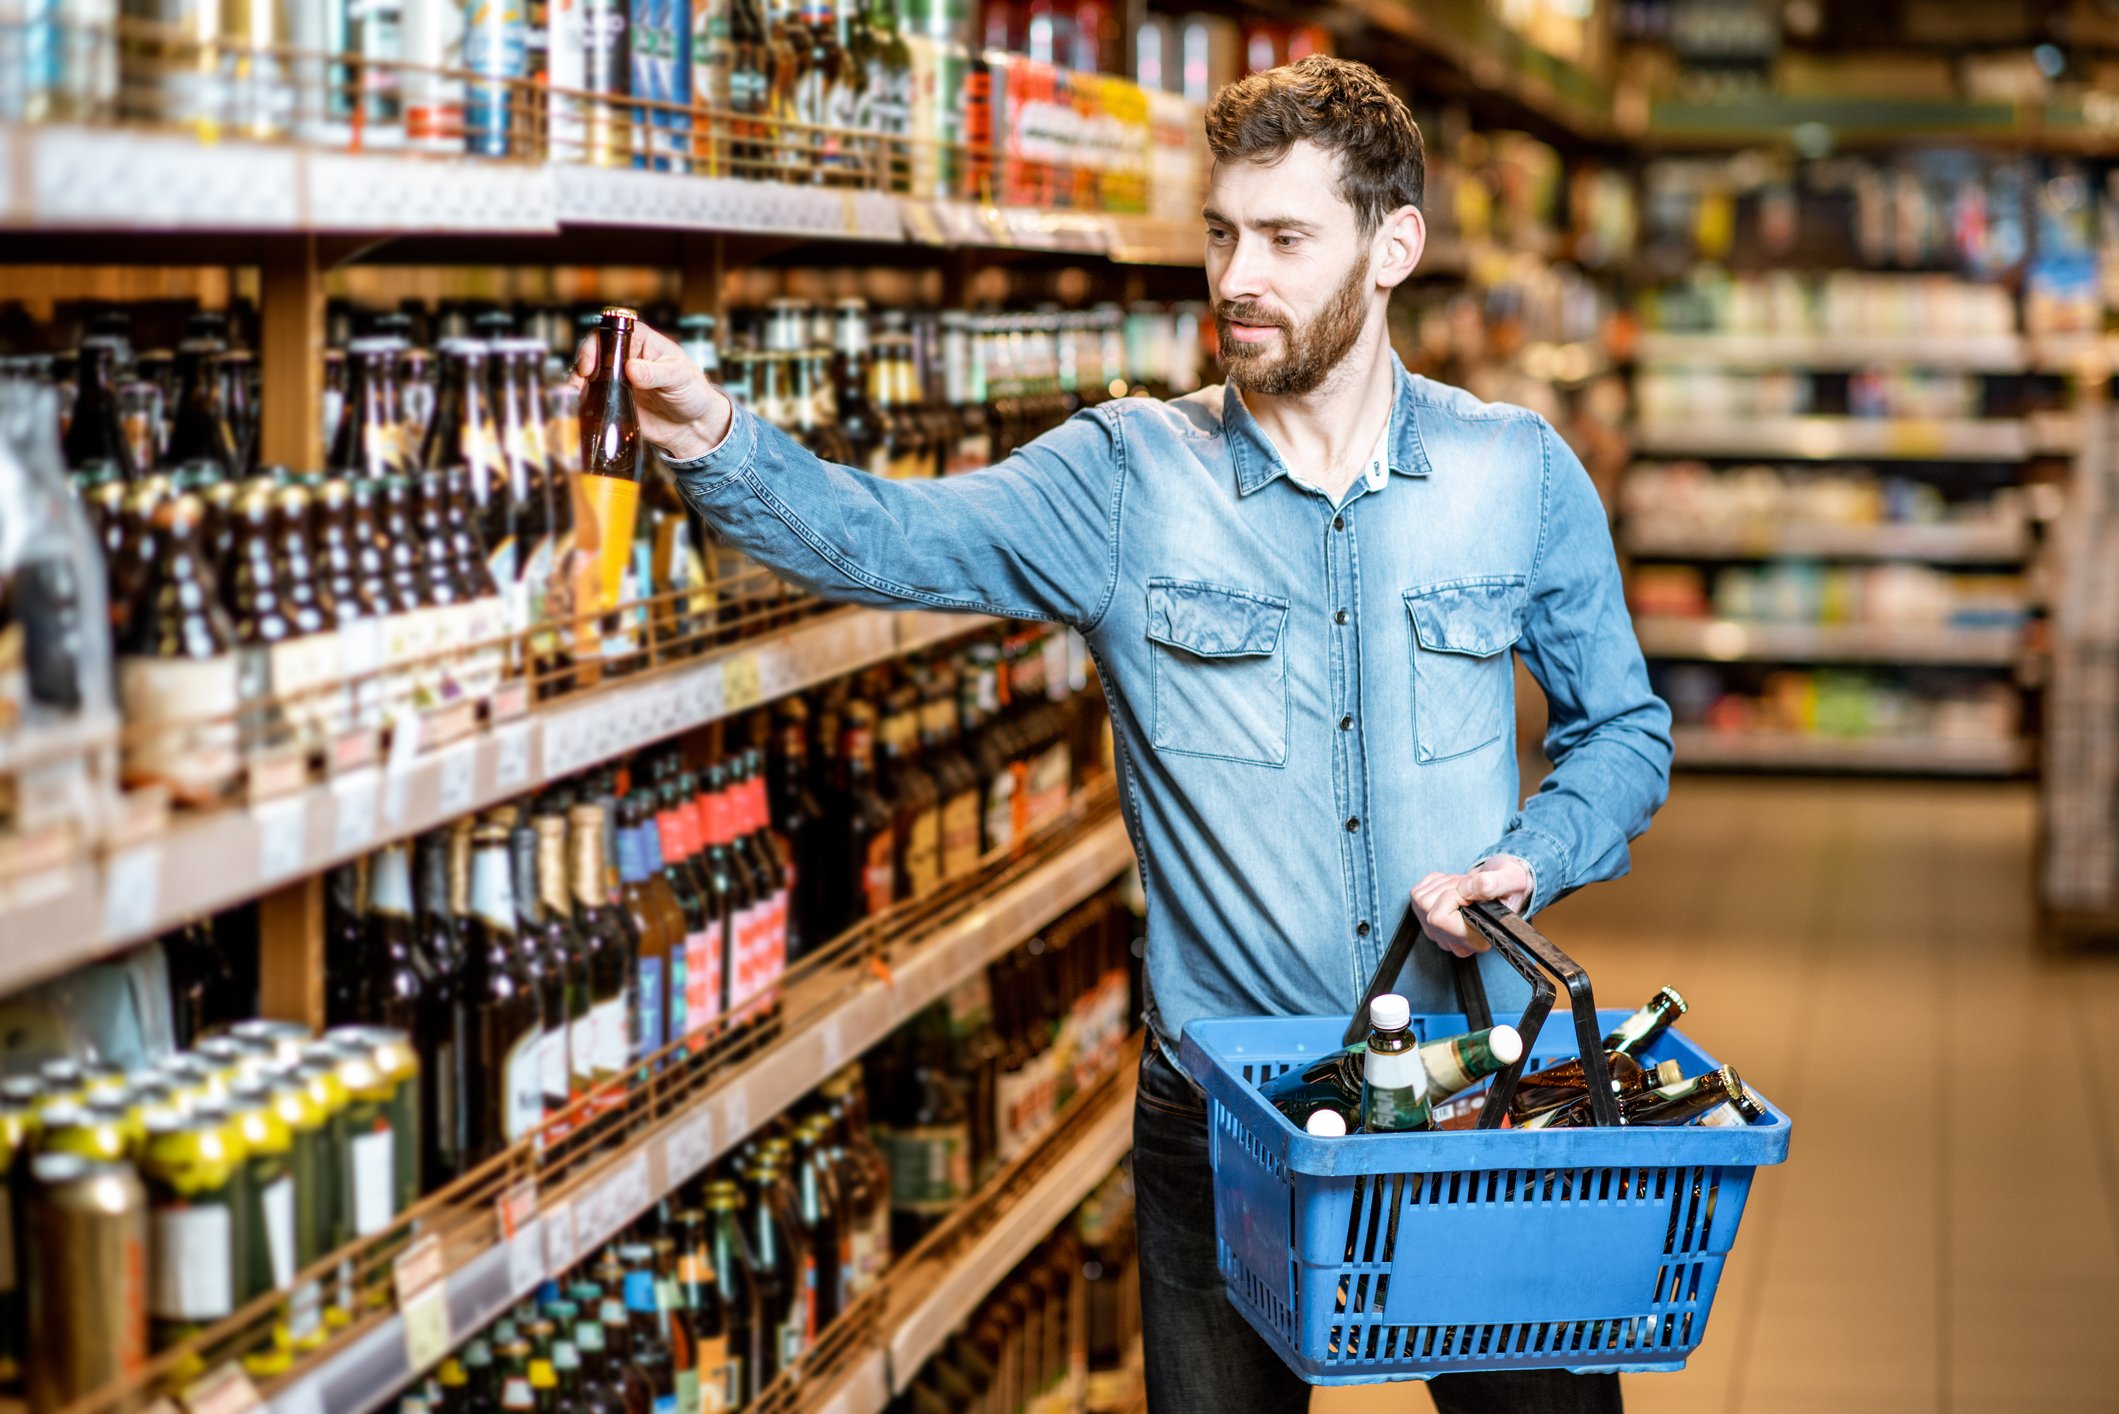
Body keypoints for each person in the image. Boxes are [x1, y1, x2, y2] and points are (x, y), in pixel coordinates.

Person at [576, 55, 1670, 1414]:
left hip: (1483, 1099)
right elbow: (898, 538)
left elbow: (1620, 731)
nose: (1235, 278)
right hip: (1229, 1110)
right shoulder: (1125, 477)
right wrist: (713, 434)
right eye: (1221, 233)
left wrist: (1530, 858)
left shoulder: (1518, 471)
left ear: (1394, 249)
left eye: (1284, 239)